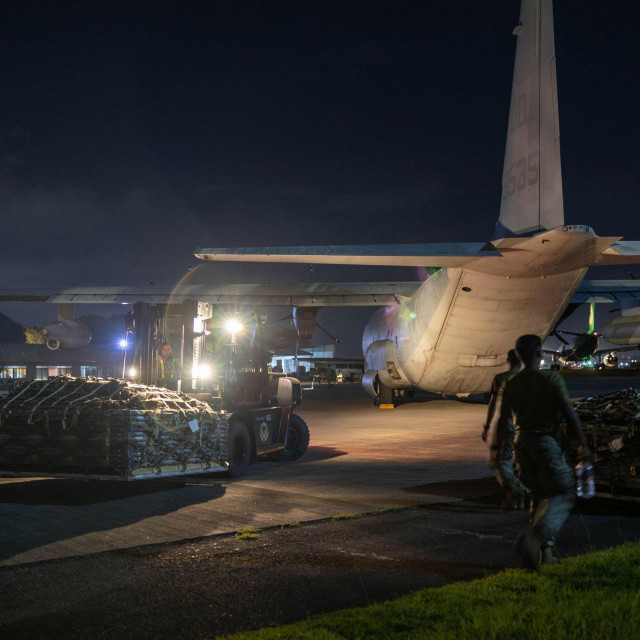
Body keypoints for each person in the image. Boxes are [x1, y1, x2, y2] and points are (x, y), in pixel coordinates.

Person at [497, 334, 592, 570]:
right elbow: (569, 413)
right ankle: (533, 541)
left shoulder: (511, 383)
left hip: (522, 444)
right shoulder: (550, 378)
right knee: (564, 493)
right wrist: (583, 444)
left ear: (518, 356)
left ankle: (546, 554)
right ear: (539, 354)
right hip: (543, 442)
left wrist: (503, 459)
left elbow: (503, 422)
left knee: (539, 497)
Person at [482, 349, 526, 510]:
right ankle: (518, 498)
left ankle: (516, 491)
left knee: (499, 461)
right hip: (525, 426)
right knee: (519, 463)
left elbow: (493, 405)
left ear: (508, 360)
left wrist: (487, 426)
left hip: (506, 424)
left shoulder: (500, 379)